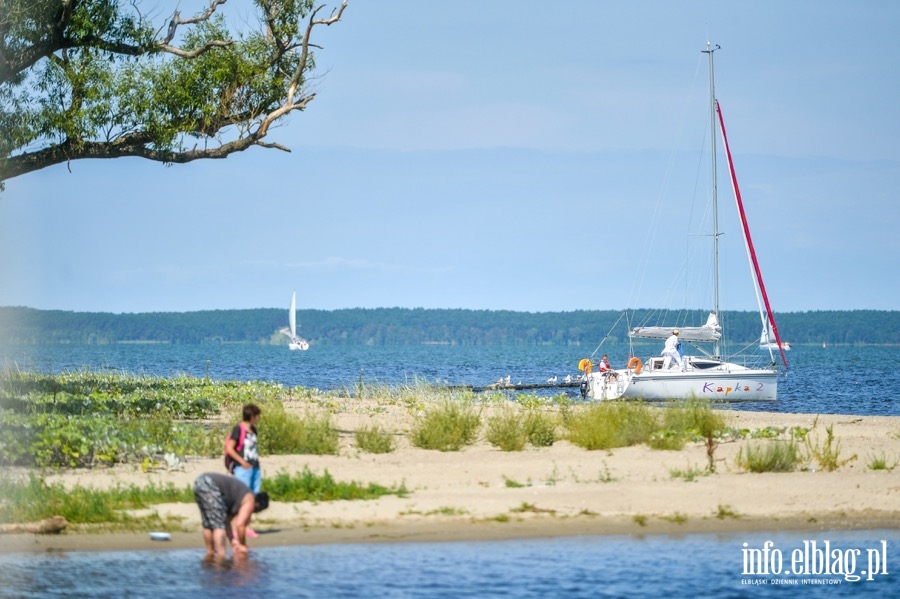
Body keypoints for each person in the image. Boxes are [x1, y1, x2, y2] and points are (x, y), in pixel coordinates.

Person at [192, 472, 269, 559]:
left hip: (199, 482)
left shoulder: (236, 496)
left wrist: (232, 540)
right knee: (218, 526)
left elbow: (226, 521)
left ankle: (210, 553)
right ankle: (221, 557)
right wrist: (242, 545)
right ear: (258, 506)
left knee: (208, 524)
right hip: (211, 485)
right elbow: (240, 525)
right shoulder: (250, 499)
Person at [225, 403, 262, 538]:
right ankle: (236, 527)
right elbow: (230, 448)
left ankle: (247, 526)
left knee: (252, 498)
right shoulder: (238, 429)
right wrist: (242, 462)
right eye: (257, 416)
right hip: (242, 468)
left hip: (254, 468)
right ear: (252, 416)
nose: (258, 418)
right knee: (241, 499)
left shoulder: (254, 430)